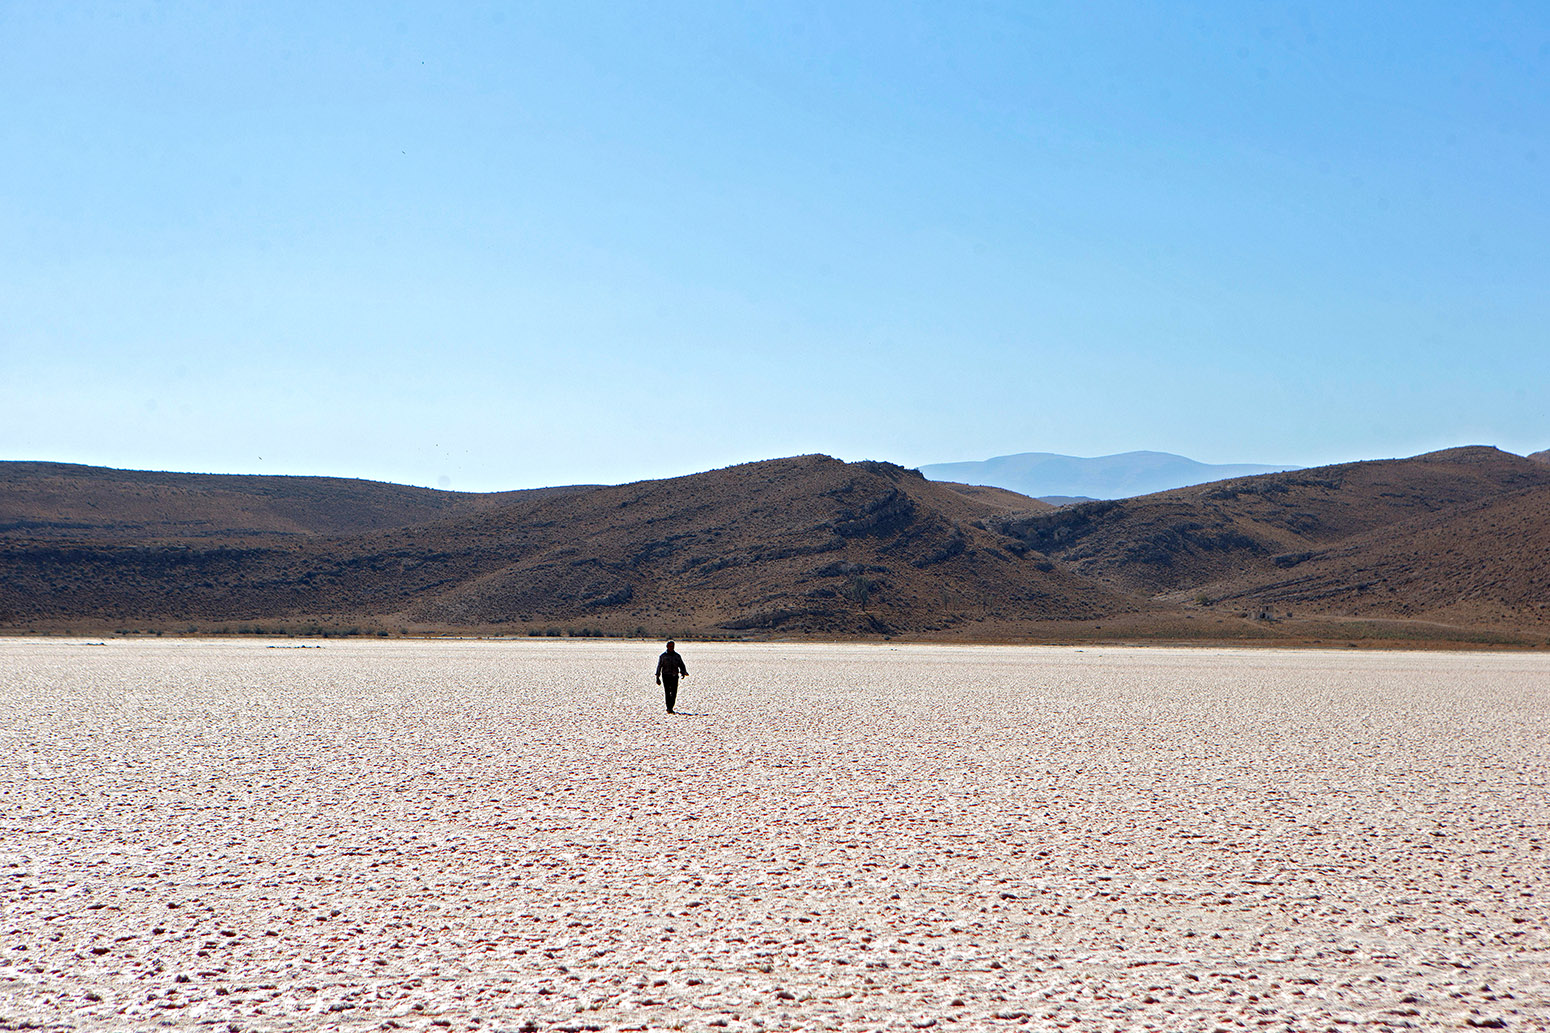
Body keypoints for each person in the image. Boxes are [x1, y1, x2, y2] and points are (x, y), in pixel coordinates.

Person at [654, 640, 688, 713]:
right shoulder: (663, 656)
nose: (671, 648)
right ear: (667, 646)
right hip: (666, 676)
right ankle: (669, 708)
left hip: (674, 676)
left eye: (672, 646)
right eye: (670, 646)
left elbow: (681, 665)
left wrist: (683, 672)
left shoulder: (677, 656)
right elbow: (659, 666)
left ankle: (671, 707)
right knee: (667, 692)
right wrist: (657, 677)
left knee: (674, 692)